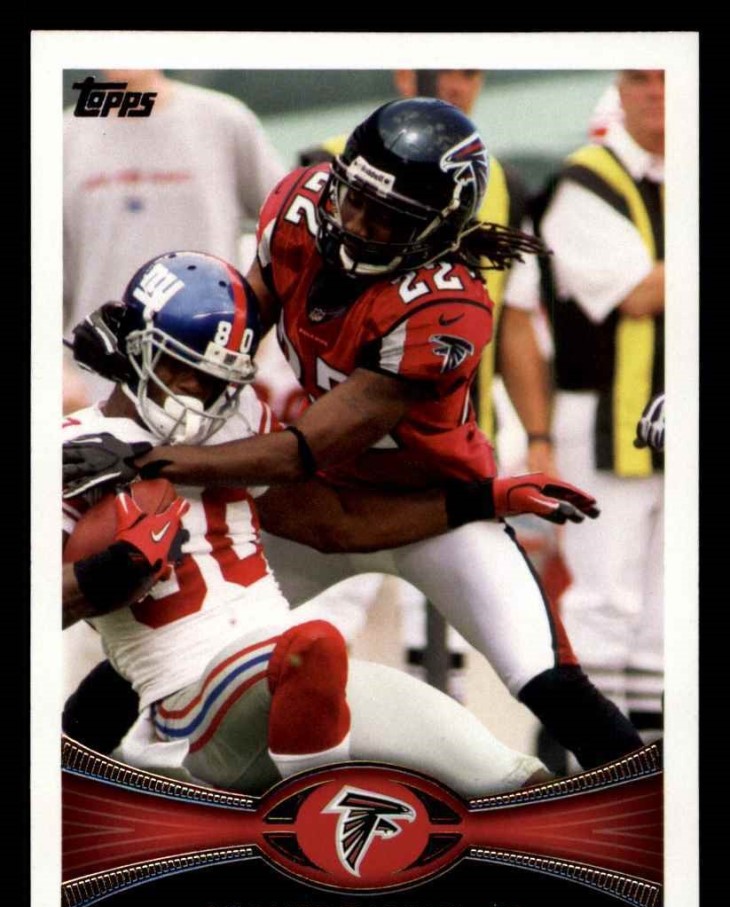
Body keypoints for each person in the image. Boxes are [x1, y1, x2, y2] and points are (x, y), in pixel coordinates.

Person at [66, 99, 644, 772]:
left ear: (436, 229)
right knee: (178, 625)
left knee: (547, 677)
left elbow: (304, 448)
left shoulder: (447, 305)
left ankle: (640, 806)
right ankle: (70, 774)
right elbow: (235, 336)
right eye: (356, 200)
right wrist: (134, 358)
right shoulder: (300, 207)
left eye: (388, 218)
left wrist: (147, 458)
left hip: (429, 510)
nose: (359, 226)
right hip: (320, 501)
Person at [62, 250, 568, 796]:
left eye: (211, 379)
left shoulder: (238, 419)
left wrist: (484, 499)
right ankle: (316, 815)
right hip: (191, 698)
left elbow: (340, 524)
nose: (193, 392)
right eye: (175, 367)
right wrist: (115, 568)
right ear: (135, 347)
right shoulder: (71, 449)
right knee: (317, 645)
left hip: (285, 668)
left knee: (513, 780)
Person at [297, 73, 553, 697]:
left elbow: (516, 324)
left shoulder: (502, 185)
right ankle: (302, 738)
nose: (453, 84)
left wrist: (539, 434)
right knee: (310, 628)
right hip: (332, 442)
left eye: (467, 70)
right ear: (403, 74)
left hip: (443, 447)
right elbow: (279, 289)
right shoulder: (322, 164)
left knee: (455, 643)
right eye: (438, 69)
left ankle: (436, 750)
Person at [530, 70, 665, 733]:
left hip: (667, 410)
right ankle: (593, 753)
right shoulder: (585, 180)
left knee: (666, 612)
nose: (659, 91)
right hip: (605, 414)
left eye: (667, 77)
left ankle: (654, 764)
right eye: (641, 78)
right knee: (605, 601)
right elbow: (636, 294)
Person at [64, 69, 286, 406]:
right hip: (96, 382)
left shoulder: (224, 120)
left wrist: (258, 321)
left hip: (210, 374)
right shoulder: (61, 137)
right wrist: (54, 369)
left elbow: (288, 228)